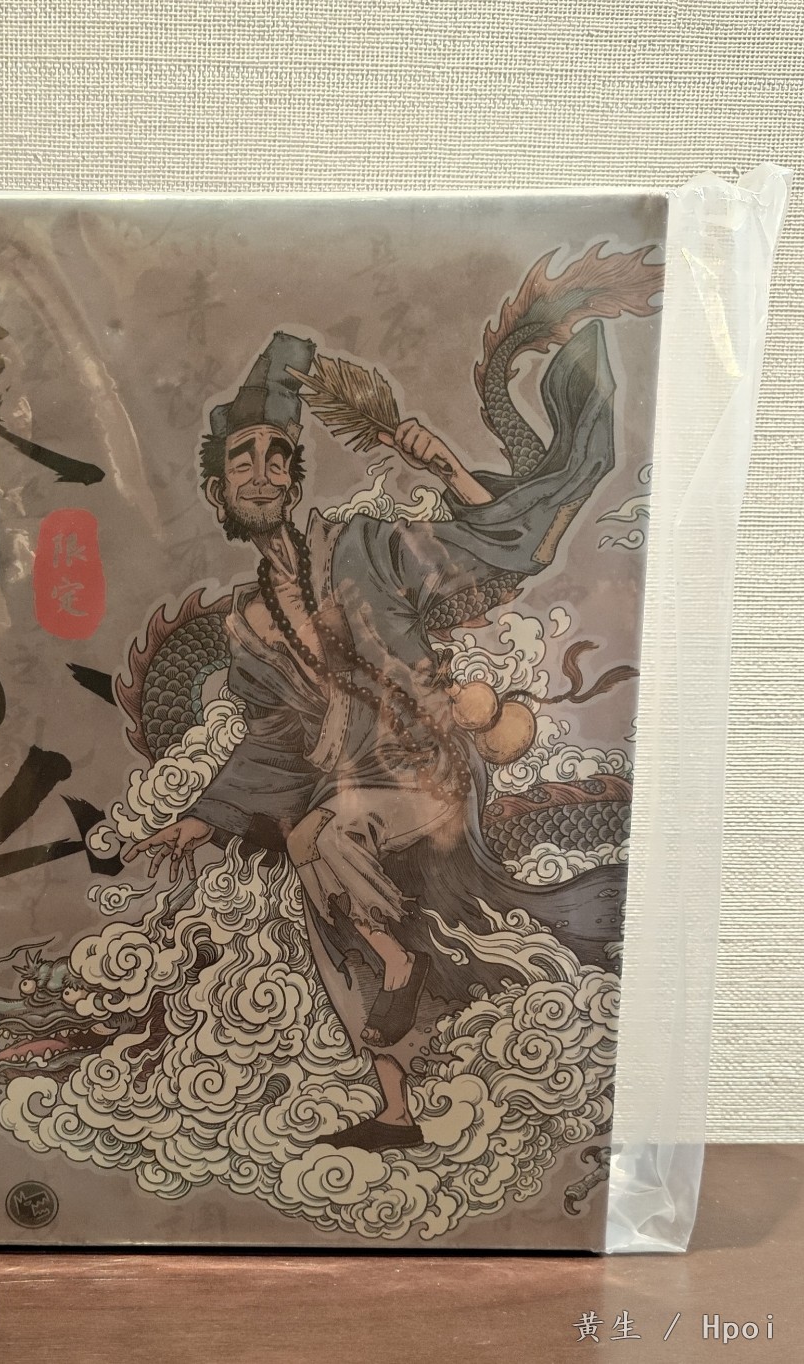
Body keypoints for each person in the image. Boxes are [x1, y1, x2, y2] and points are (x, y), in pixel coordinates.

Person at [126, 330, 626, 1151]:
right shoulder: (247, 626)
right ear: (218, 490)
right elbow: (272, 738)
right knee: (320, 888)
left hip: (424, 762)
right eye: (243, 460)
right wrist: (200, 820)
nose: (263, 471)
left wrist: (447, 469)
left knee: (321, 837)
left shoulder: (364, 547)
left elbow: (494, 556)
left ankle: (398, 960)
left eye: (278, 457)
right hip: (341, 787)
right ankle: (396, 1107)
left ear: (294, 480)